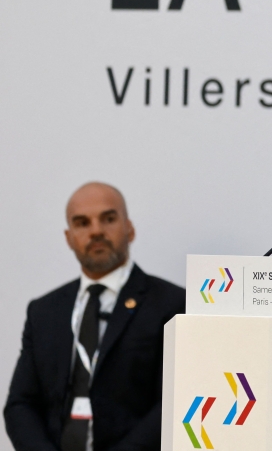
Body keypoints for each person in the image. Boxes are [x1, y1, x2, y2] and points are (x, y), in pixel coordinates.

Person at [5, 182, 185, 451]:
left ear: (130, 228)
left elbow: (174, 403)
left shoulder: (171, 304)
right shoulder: (43, 311)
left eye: (108, 219)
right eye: (82, 223)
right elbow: (21, 404)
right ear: (69, 238)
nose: (96, 231)